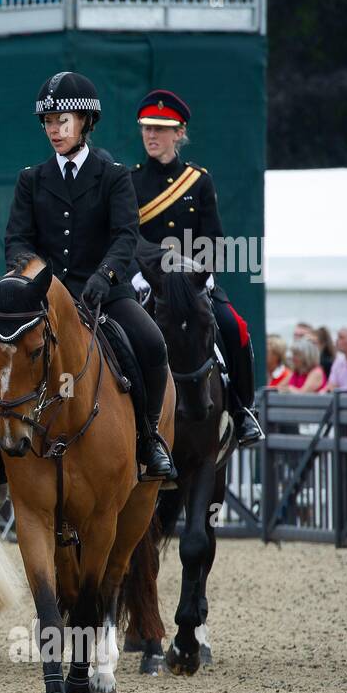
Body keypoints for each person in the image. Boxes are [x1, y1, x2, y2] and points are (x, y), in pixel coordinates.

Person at [0, 71, 176, 485]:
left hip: (104, 290)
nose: (55, 129)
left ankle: (149, 437)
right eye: (49, 122)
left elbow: (125, 235)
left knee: (152, 344)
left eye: (63, 121)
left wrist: (105, 275)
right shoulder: (32, 178)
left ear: (86, 123)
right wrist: (35, 280)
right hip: (45, 295)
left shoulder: (113, 175)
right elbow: (18, 241)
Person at [130, 88, 263, 446]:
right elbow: (126, 236)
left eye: (160, 129)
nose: (152, 136)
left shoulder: (198, 180)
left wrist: (195, 268)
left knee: (235, 328)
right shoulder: (130, 181)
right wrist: (149, 267)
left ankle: (242, 409)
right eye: (147, 128)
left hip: (193, 281)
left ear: (179, 133)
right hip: (146, 281)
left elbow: (215, 239)